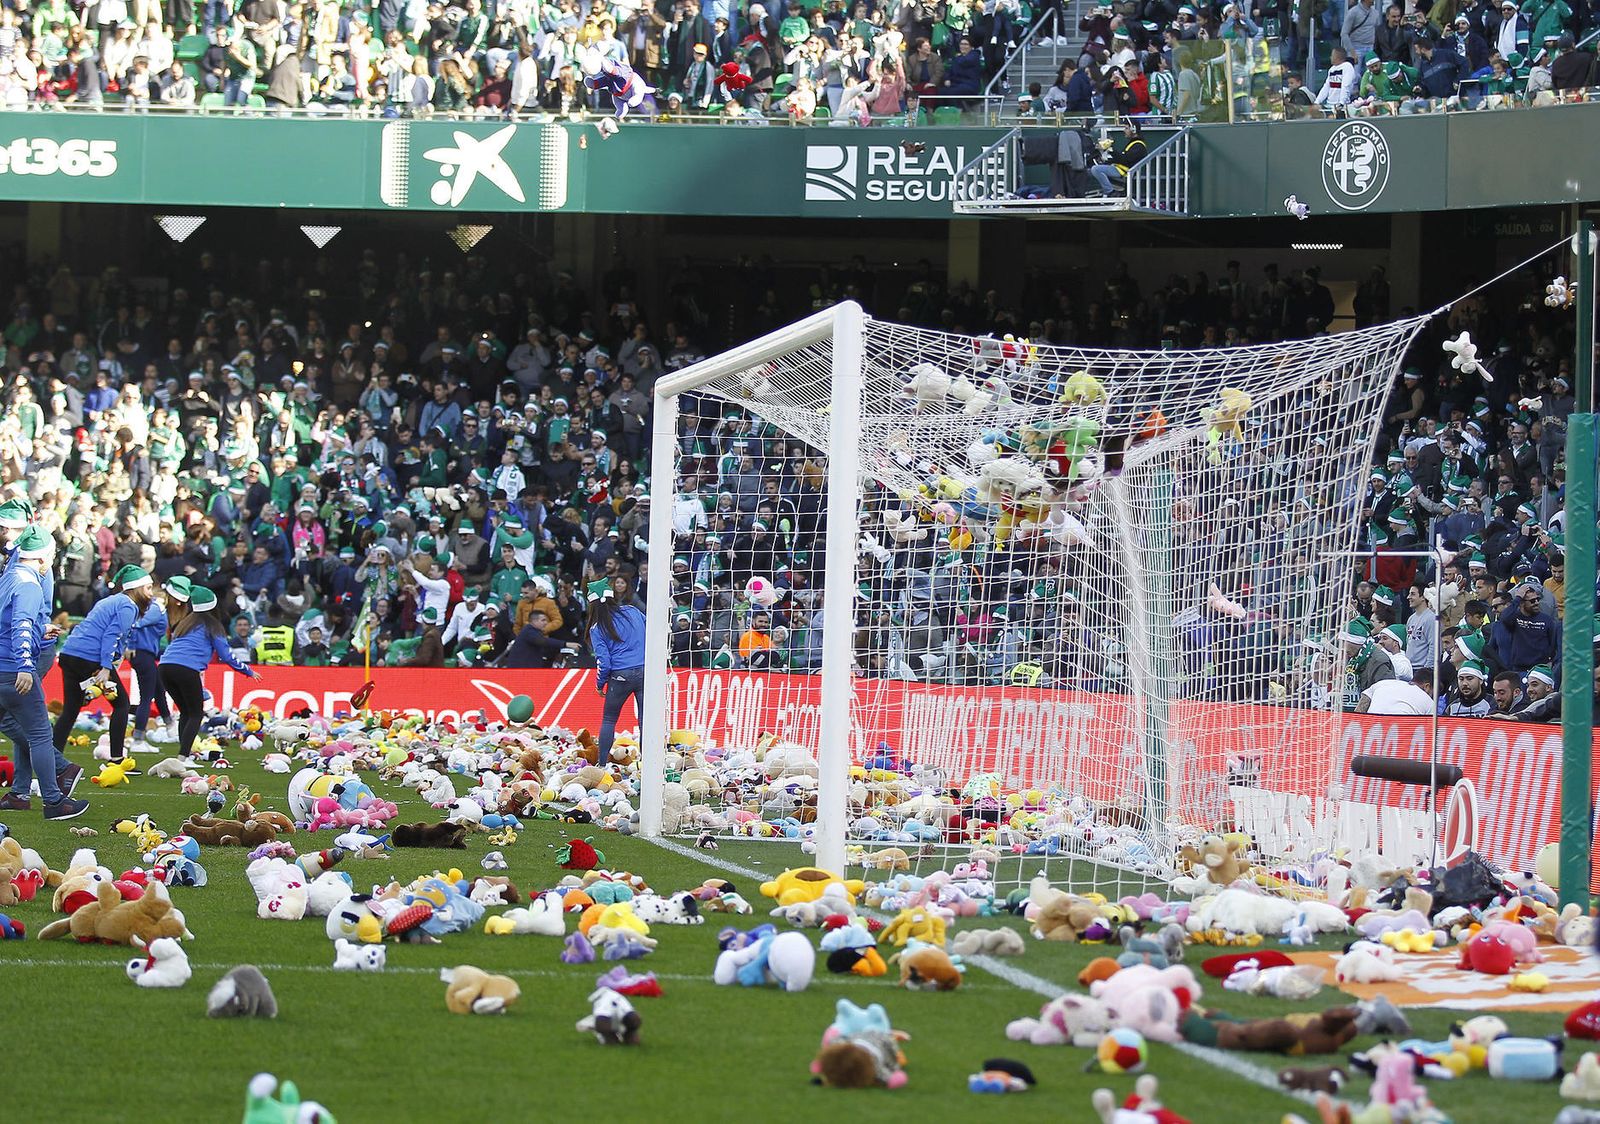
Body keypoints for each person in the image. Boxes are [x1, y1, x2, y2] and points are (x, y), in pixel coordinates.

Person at [0, 527, 88, 820]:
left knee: (11, 725)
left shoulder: (9, 576)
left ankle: (23, 792)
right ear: (43, 557)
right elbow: (21, 624)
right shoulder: (29, 585)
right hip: (13, 668)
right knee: (39, 735)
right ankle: (54, 800)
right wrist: (26, 665)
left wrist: (40, 629)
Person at [54, 563, 156, 772]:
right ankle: (117, 760)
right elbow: (112, 635)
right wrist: (106, 667)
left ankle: (51, 760)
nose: (151, 593)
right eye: (148, 588)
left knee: (70, 710)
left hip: (70, 653)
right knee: (122, 705)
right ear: (136, 589)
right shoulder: (128, 605)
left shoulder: (110, 600)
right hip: (90, 658)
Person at [158, 585, 260, 762]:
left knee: (186, 712)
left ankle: (184, 756)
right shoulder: (213, 626)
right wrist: (247, 670)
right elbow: (226, 656)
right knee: (196, 714)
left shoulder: (185, 623)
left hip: (165, 667)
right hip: (186, 669)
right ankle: (183, 759)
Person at [587, 579, 645, 766]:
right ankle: (648, 763)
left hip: (620, 676)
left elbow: (604, 662)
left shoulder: (597, 628)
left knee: (609, 719)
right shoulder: (633, 611)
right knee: (646, 720)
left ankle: (602, 764)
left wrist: (599, 684)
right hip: (645, 672)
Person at [129, 575, 183, 748]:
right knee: (147, 697)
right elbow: (140, 623)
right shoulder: (157, 606)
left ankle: (170, 727)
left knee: (159, 690)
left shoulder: (147, 606)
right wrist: (131, 637)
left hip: (144, 654)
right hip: (143, 653)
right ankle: (138, 739)